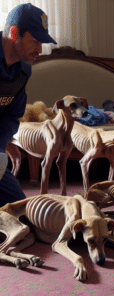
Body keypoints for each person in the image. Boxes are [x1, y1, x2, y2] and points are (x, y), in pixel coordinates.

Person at [0, 3, 56, 205]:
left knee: (22, 211)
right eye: (34, 41)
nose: (40, 50)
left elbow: (11, 116)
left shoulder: (24, 71)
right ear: (14, 33)